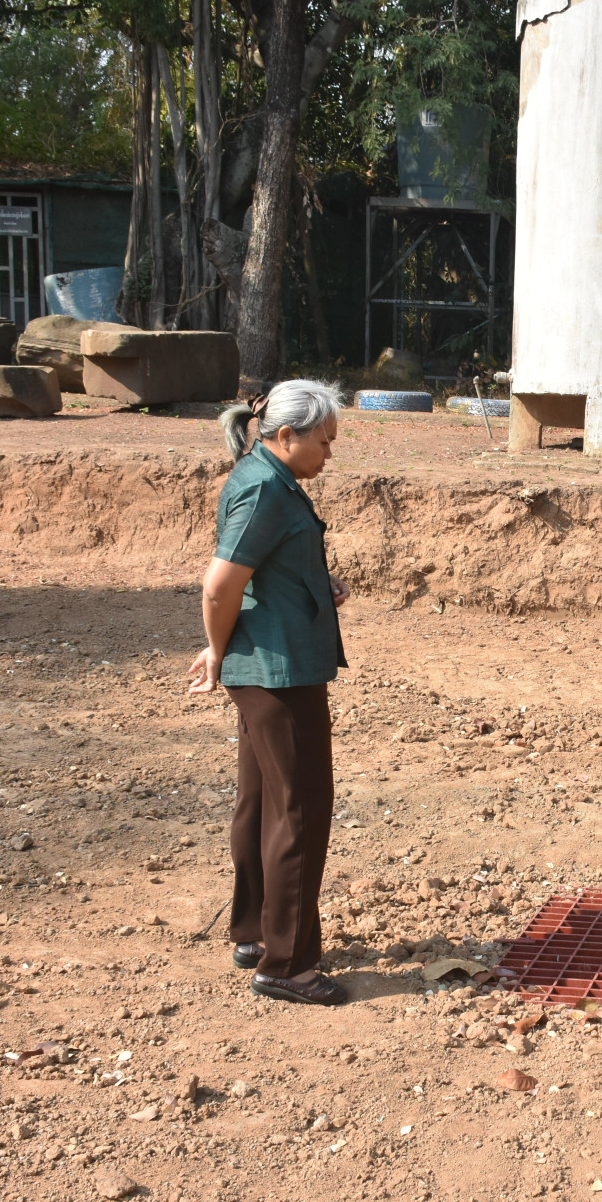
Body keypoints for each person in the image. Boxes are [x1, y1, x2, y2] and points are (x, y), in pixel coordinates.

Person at [189, 380, 352, 1006]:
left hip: (269, 664)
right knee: (301, 810)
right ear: (286, 435)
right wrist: (217, 648)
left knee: (260, 801)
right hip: (278, 673)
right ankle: (287, 965)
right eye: (324, 441)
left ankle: (257, 932)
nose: (328, 455)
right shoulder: (264, 488)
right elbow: (219, 585)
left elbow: (263, 567)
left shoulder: (269, 478)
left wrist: (318, 580)